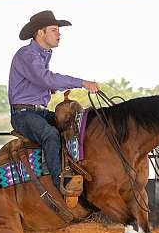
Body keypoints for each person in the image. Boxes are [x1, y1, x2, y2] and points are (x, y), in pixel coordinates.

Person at [8, 10, 99, 191]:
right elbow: (46, 78)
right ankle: (59, 183)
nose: (59, 34)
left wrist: (47, 87)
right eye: (54, 30)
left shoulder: (43, 54)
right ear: (40, 33)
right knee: (50, 135)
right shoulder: (27, 54)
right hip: (23, 114)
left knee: (76, 124)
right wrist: (81, 83)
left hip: (38, 111)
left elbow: (40, 80)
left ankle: (77, 168)